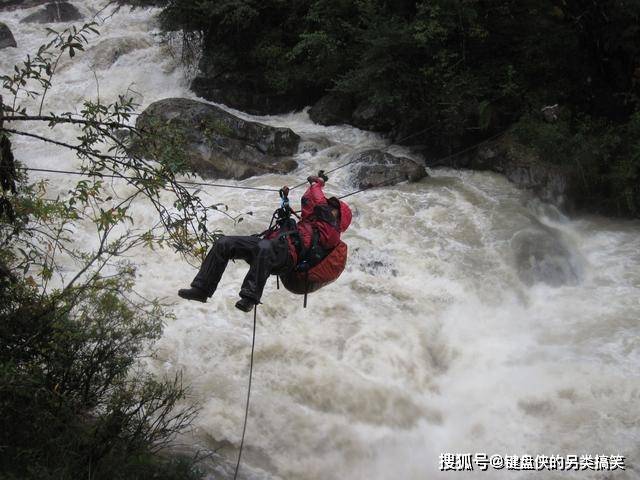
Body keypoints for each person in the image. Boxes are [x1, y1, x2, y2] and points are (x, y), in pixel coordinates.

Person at [177, 174, 352, 312]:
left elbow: (319, 202)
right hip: (271, 249)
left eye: (334, 209)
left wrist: (317, 184)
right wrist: (294, 196)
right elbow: (309, 200)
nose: (330, 209)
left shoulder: (331, 234)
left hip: (286, 258)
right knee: (224, 243)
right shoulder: (310, 221)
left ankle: (250, 298)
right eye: (330, 207)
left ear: (339, 220)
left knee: (264, 247)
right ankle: (201, 289)